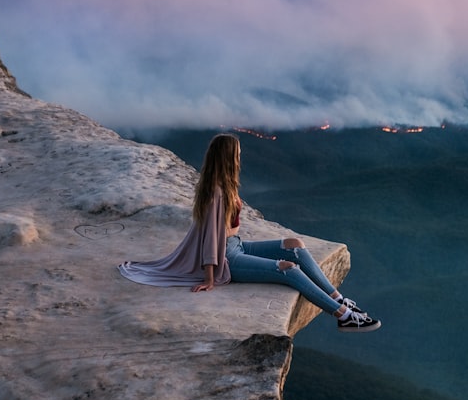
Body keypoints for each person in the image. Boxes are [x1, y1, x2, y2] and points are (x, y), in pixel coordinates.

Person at [119, 133, 381, 332]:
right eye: (238, 153)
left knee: (295, 245)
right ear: (229, 158)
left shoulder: (224, 185)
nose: (240, 157)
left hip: (237, 246)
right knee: (288, 267)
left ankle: (339, 298)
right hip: (227, 258)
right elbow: (212, 239)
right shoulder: (217, 193)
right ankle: (342, 316)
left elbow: (226, 231)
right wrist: (210, 277)